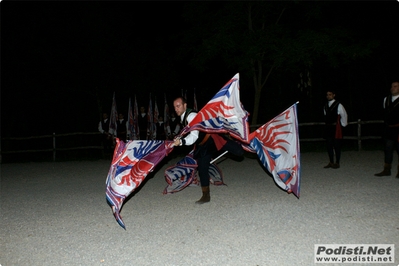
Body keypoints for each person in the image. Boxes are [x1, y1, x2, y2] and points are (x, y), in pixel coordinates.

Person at [172, 96, 244, 204]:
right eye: (175, 107)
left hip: (212, 139)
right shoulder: (183, 117)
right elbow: (188, 133)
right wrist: (179, 138)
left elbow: (194, 136)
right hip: (203, 145)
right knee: (202, 169)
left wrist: (181, 142)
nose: (176, 109)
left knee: (239, 152)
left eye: (178, 106)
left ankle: (250, 144)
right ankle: (206, 195)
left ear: (185, 105)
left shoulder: (191, 116)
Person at [374, 81, 399, 178]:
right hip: (389, 128)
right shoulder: (386, 99)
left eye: (395, 86)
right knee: (388, 148)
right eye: (392, 86)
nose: (393, 88)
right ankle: (387, 169)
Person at [323, 90, 348, 169]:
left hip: (335, 127)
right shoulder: (325, 105)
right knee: (329, 145)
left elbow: (344, 114)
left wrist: (343, 124)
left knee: (337, 145)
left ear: (334, 95)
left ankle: (337, 162)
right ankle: (331, 161)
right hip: (328, 127)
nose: (328, 96)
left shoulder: (338, 105)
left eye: (330, 94)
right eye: (327, 95)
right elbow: (325, 115)